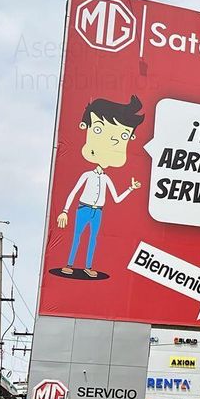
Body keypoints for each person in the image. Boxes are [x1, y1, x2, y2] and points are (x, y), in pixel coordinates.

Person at [57, 95, 144, 277]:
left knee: (93, 239)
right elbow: (74, 192)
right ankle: (69, 264)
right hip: (83, 208)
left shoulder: (106, 179)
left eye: (123, 136)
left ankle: (88, 267)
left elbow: (117, 198)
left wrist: (131, 188)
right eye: (98, 129)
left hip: (98, 211)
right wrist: (64, 211)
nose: (113, 142)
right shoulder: (87, 175)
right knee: (77, 236)